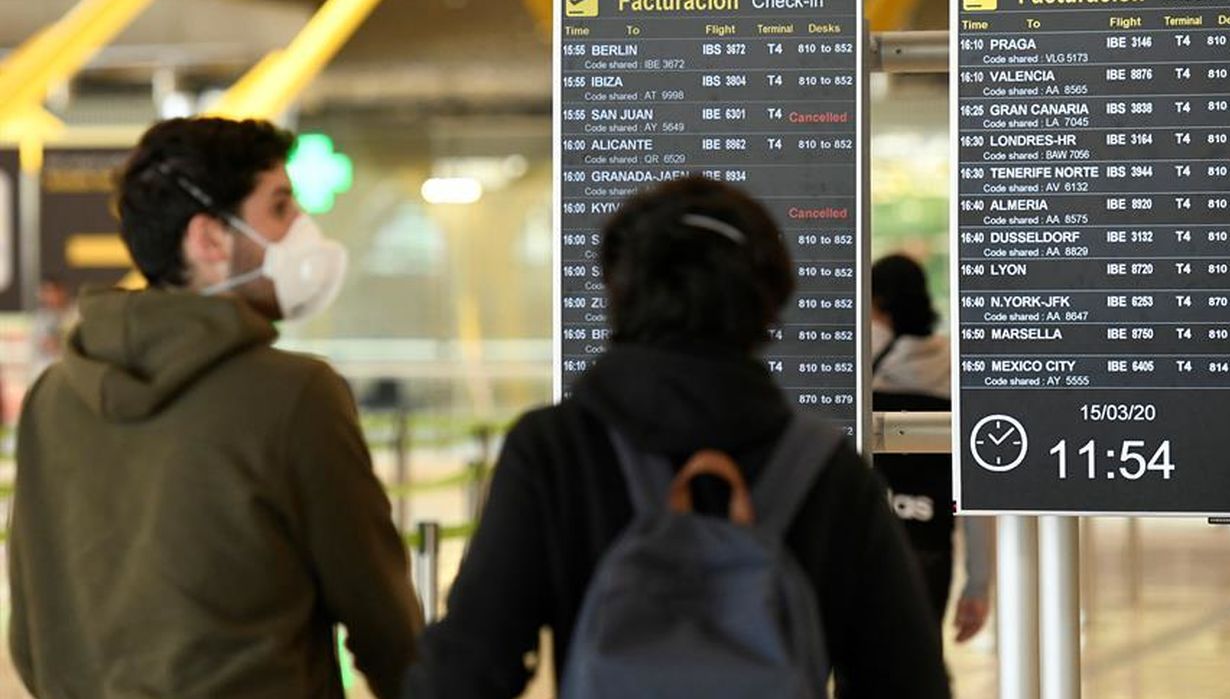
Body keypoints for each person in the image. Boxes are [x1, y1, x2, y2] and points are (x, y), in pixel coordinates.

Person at [404, 177, 950, 697]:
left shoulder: (556, 450)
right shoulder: (829, 471)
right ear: (769, 303)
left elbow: (469, 667)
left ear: (618, 292)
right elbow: (907, 681)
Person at [8, 117, 421, 698]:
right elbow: (383, 621)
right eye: (280, 209)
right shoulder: (296, 397)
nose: (303, 230)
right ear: (208, 239)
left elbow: (31, 632)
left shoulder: (53, 399)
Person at [870, 253, 992, 643]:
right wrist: (978, 583)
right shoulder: (957, 369)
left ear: (879, 305)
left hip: (869, 544)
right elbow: (974, 491)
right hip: (931, 547)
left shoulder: (862, 368)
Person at [29, 276, 77, 380]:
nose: (48, 297)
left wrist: (62, 343)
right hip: (46, 374)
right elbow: (40, 345)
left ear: (62, 291)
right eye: (45, 293)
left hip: (71, 373)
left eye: (51, 292)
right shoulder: (40, 318)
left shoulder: (76, 314)